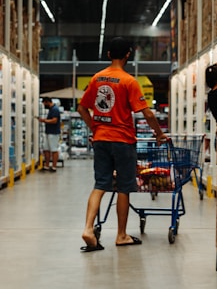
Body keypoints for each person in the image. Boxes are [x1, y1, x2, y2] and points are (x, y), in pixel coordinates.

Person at [77, 36, 167, 252]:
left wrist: (95, 129)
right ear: (128, 54)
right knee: (124, 189)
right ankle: (121, 235)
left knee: (100, 185)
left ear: (108, 54)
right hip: (123, 141)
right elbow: (146, 112)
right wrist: (159, 134)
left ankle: (89, 229)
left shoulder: (97, 78)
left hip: (101, 139)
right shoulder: (129, 81)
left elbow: (82, 108)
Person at [38, 97, 61, 172]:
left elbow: (54, 121)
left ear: (47, 102)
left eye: (44, 103)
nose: (44, 105)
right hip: (48, 132)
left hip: (53, 133)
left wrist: (44, 120)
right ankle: (47, 166)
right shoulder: (51, 109)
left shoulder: (55, 109)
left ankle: (54, 167)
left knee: (54, 149)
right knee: (46, 149)